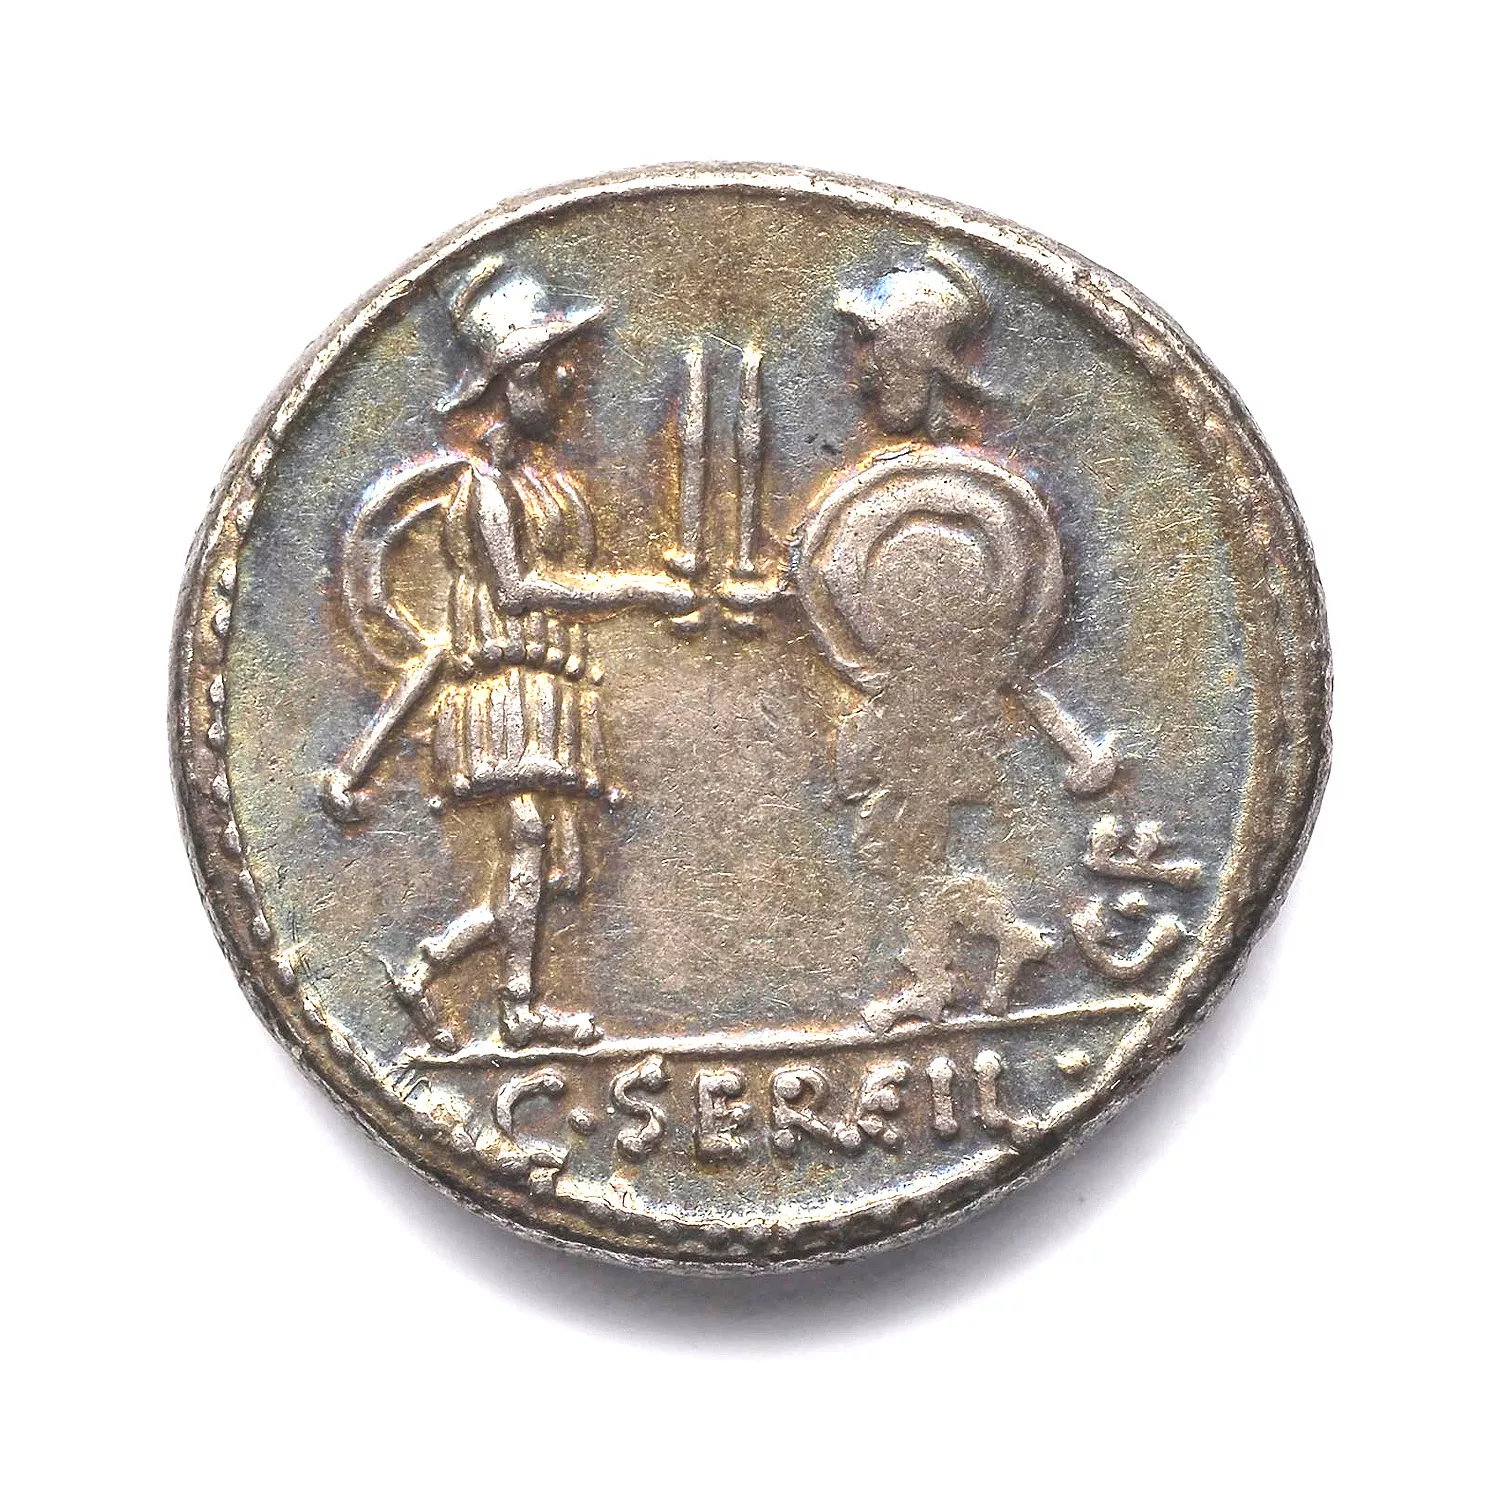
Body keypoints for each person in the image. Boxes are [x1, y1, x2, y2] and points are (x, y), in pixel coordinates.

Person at [321, 253, 695, 1050]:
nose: (568, 383)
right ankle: (518, 1011)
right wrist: (644, 590)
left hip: (551, 689)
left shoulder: (548, 483)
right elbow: (521, 590)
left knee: (559, 873)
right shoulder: (485, 488)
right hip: (504, 692)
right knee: (527, 838)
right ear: (514, 380)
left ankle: (425, 969)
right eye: (553, 370)